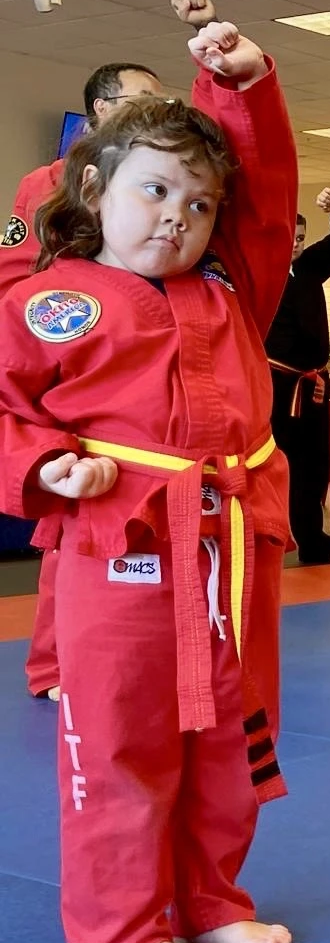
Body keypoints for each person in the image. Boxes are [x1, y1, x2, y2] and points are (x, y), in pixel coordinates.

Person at [0, 9, 296, 943]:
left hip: (229, 546)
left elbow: (264, 201)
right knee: (122, 741)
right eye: (155, 189)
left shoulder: (231, 288)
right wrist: (44, 465)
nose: (178, 214)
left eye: (199, 202)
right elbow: (5, 404)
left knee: (231, 731)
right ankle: (121, 934)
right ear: (94, 186)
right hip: (117, 546)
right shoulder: (52, 297)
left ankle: (210, 901)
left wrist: (238, 90)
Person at [8, 62, 168, 702]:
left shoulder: (160, 177)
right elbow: (18, 276)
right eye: (142, 99)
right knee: (71, 529)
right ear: (102, 108)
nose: (157, 108)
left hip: (136, 365)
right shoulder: (45, 184)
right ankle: (52, 665)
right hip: (69, 363)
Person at [266, 188, 330, 565]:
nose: (295, 245)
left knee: (314, 466)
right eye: (289, 238)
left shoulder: (307, 268)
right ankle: (268, 541)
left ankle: (315, 543)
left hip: (313, 385)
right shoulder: (257, 275)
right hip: (275, 383)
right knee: (273, 464)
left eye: (302, 239)